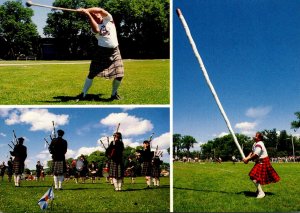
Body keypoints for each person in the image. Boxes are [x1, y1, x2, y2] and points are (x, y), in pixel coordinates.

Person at [76, 7, 124, 101]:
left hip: (115, 51)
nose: (97, 14)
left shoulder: (109, 19)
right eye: (94, 15)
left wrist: (86, 10)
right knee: (92, 74)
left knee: (120, 74)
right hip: (102, 51)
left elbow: (100, 10)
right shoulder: (94, 28)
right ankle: (83, 94)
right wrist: (88, 14)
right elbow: (97, 30)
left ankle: (114, 94)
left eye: (97, 13)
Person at [243, 132, 280, 198]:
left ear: (259, 138)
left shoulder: (259, 144)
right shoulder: (255, 144)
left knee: (253, 177)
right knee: (256, 177)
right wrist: (247, 157)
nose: (254, 136)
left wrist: (247, 160)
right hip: (259, 161)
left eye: (256, 136)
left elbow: (256, 154)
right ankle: (258, 191)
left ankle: (261, 193)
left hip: (263, 162)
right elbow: (252, 152)